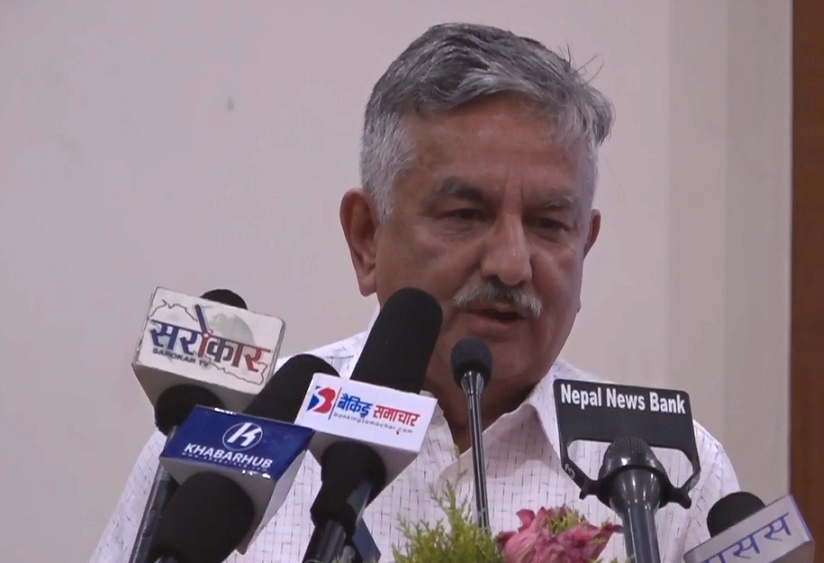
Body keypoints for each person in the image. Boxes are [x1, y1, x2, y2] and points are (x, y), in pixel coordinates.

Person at [90, 22, 738, 563]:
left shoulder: (675, 471)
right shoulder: (229, 447)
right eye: (465, 215)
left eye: (549, 224)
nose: (512, 264)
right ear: (366, 237)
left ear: (585, 245)